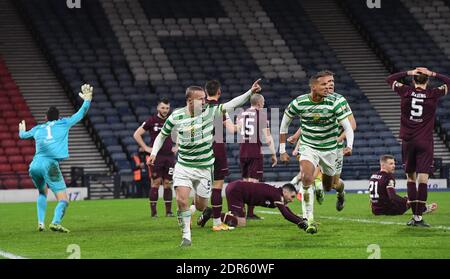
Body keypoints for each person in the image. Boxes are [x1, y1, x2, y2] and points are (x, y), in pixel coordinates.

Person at [148, 79, 262, 247]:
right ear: (189, 101)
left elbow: (231, 104)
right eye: (200, 99)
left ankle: (191, 212)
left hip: (204, 168)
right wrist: (153, 153)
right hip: (184, 166)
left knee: (201, 205)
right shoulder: (176, 116)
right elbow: (162, 135)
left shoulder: (210, 111)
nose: (204, 101)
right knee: (181, 199)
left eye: (204, 98)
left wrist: (250, 92)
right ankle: (186, 236)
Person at [279, 71, 354, 233]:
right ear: (314, 86)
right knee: (306, 177)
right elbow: (310, 119)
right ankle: (308, 218)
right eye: (326, 83)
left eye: (331, 82)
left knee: (332, 185)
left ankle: (340, 192)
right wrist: (291, 141)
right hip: (310, 146)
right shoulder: (301, 102)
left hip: (333, 147)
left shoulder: (339, 101)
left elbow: (351, 125)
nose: (330, 85)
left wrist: (343, 142)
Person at [18, 84, 93, 233]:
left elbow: (22, 136)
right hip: (50, 165)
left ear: (45, 118)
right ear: (58, 117)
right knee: (64, 199)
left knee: (42, 192)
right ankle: (55, 222)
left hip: (35, 165)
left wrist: (21, 130)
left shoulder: (38, 128)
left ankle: (40, 223)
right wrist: (87, 100)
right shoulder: (64, 123)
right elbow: (81, 113)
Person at [386, 67, 450, 226]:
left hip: (408, 141)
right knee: (423, 179)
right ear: (427, 81)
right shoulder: (433, 94)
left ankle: (414, 216)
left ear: (414, 80)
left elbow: (390, 79)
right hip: (425, 141)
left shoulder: (405, 91)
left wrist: (409, 72)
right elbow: (449, 82)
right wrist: (433, 73)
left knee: (410, 178)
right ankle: (419, 218)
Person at [197, 80, 238, 231]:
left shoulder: (198, 108)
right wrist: (239, 123)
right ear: (219, 92)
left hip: (200, 149)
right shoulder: (221, 109)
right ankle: (216, 223)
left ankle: (190, 213)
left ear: (205, 92)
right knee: (217, 186)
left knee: (197, 185)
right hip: (217, 147)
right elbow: (232, 130)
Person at [236, 93, 277, 220]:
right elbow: (267, 137)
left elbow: (239, 130)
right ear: (259, 103)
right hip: (254, 151)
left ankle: (241, 211)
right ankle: (250, 213)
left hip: (243, 151)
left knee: (245, 182)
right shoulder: (262, 115)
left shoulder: (241, 114)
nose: (263, 105)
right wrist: (273, 153)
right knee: (253, 183)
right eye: (263, 103)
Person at [133, 98, 176, 217]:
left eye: (167, 108)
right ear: (158, 108)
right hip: (156, 157)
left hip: (169, 157)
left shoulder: (172, 120)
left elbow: (182, 133)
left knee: (168, 183)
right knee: (156, 183)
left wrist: (177, 146)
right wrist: (146, 148)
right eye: (163, 108)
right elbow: (136, 134)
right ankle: (154, 213)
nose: (165, 110)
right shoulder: (151, 120)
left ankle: (168, 212)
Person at [222, 180, 309, 232]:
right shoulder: (277, 195)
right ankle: (213, 213)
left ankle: (213, 214)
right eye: (292, 196)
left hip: (237, 189)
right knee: (240, 223)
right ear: (285, 192)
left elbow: (288, 211)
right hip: (236, 190)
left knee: (237, 221)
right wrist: (300, 223)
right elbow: (286, 215)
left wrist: (302, 220)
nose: (292, 200)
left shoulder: (278, 194)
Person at [369, 155, 437, 216]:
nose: (394, 166)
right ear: (383, 165)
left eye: (394, 163)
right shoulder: (388, 177)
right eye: (391, 164)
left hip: (375, 210)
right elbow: (392, 196)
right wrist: (406, 202)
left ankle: (423, 208)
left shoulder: (373, 176)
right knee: (413, 194)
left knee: (407, 196)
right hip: (388, 210)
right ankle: (424, 209)